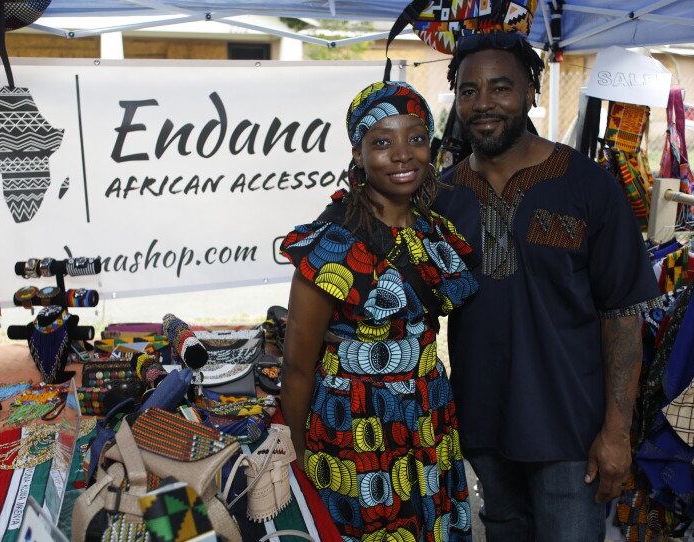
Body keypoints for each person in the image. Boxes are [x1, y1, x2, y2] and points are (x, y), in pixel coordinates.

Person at [433, 32, 663, 541]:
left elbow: (622, 317)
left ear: (532, 91)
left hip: (570, 435)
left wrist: (616, 434)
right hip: (484, 429)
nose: (483, 103)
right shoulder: (443, 195)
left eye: (500, 88)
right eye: (468, 91)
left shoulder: (588, 185)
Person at [280, 80, 480, 540]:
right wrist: (299, 454)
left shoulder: (435, 233)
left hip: (429, 416)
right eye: (382, 142)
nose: (403, 153)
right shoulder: (331, 246)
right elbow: (295, 366)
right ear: (358, 154)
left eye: (415, 137)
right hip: (354, 425)